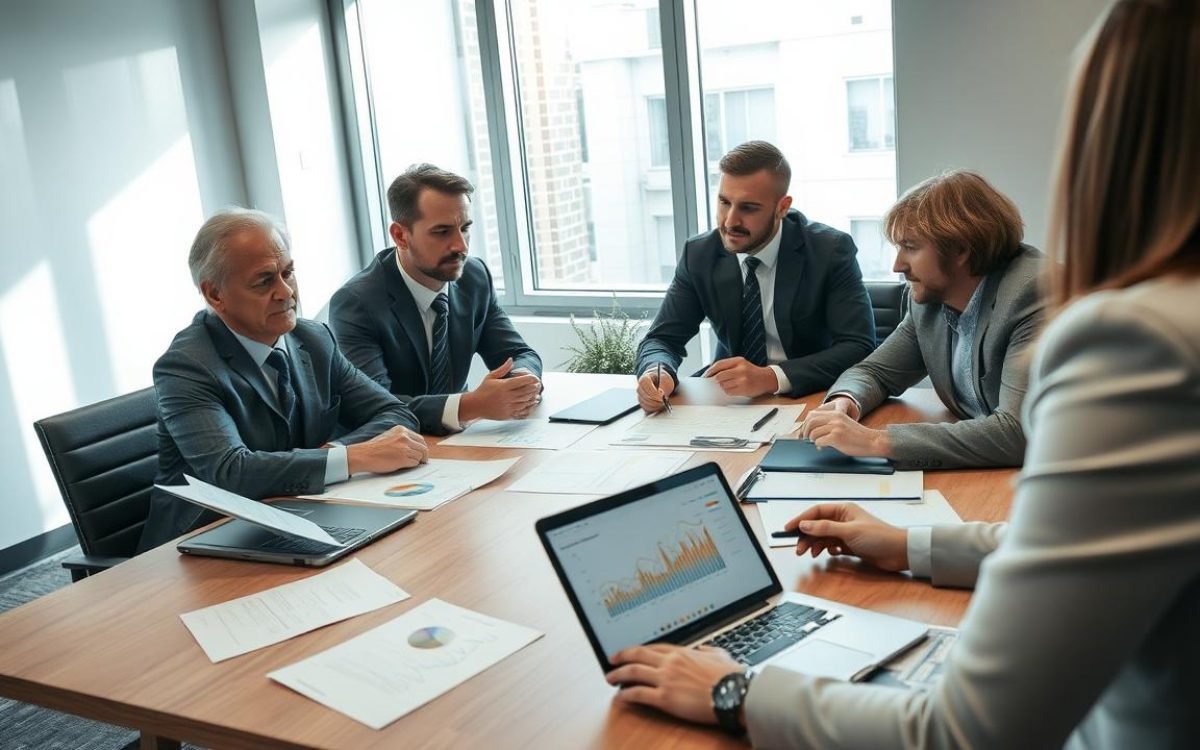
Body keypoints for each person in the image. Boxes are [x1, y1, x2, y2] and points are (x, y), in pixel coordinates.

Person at [602, 1, 1200, 746]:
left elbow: (961, 731)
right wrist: (902, 538)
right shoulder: (942, 305)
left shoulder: (1126, 335)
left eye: (910, 248)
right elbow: (878, 364)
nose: (895, 264)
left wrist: (735, 689)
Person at [139, 209, 428, 551]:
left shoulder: (313, 339)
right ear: (215, 295)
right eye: (264, 281)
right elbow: (232, 472)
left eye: (288, 273)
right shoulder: (186, 366)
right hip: (204, 540)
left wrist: (334, 453)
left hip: (298, 516)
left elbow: (396, 414)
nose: (286, 292)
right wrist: (353, 458)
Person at [801, 170, 1044, 469]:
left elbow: (1018, 433)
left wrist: (875, 441)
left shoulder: (1033, 293)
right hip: (984, 470)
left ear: (961, 249)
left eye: (911, 247)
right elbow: (874, 373)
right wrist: (845, 402)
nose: (897, 265)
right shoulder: (928, 301)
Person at [635, 141, 875, 412]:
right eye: (725, 202)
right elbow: (661, 339)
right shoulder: (700, 254)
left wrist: (771, 378)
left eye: (748, 208)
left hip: (814, 398)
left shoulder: (829, 251)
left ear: (782, 207)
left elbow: (859, 347)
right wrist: (659, 371)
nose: (729, 221)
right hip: (732, 402)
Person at [330, 164, 542, 435]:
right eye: (442, 232)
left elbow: (518, 354)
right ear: (400, 235)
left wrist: (521, 380)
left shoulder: (474, 277)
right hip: (387, 452)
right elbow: (377, 408)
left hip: (458, 444)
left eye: (465, 228)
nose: (461, 246)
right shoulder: (356, 304)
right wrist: (472, 405)